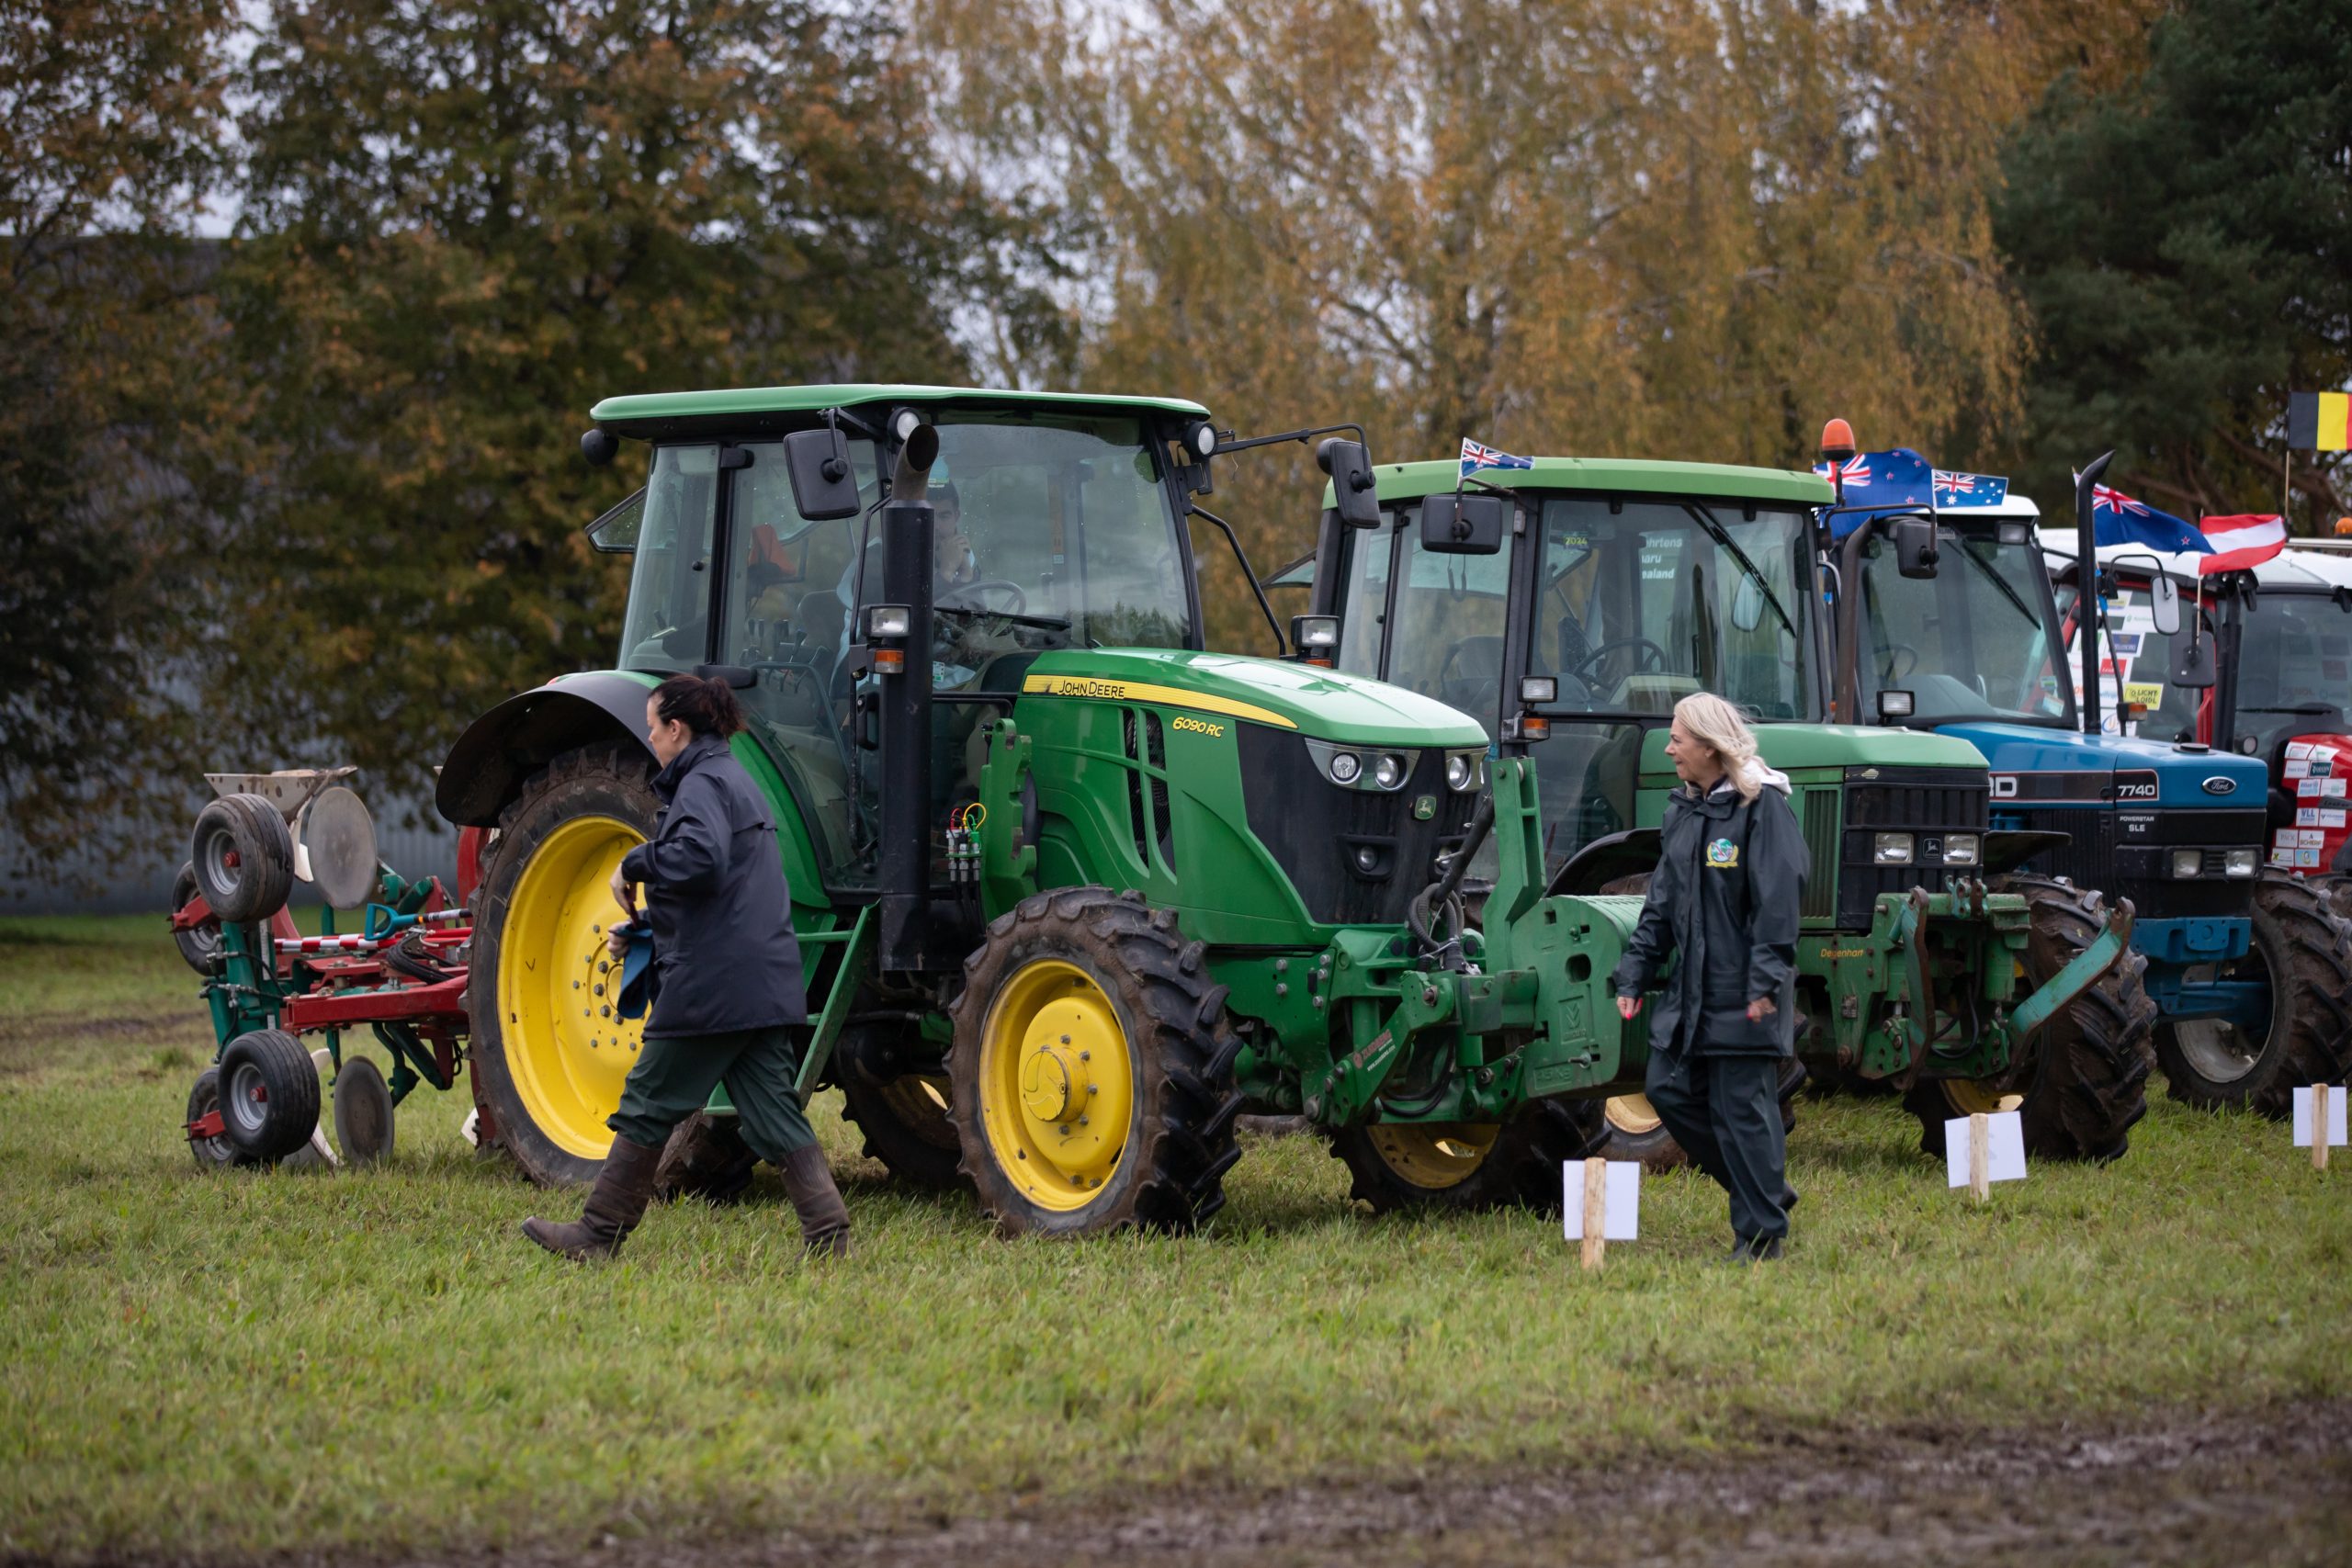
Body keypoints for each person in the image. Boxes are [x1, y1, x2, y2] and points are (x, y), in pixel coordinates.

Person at [522, 673, 853, 1261]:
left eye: (653, 727)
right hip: (758, 979)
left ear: (677, 728)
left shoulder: (701, 783)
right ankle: (829, 1233)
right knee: (773, 1112)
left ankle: (598, 1234)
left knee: (648, 1101)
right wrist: (648, 927)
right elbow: (727, 893)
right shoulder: (735, 779)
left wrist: (634, 861)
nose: (649, 738)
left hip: (711, 987)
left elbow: (699, 857)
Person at [1611, 692, 1805, 1262]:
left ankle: (1761, 1238)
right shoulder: (1684, 812)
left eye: (1677, 739)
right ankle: (1764, 1191)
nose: (1668, 749)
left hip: (1744, 992)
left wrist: (1764, 985)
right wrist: (1634, 974)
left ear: (1710, 746)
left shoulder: (1761, 808)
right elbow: (1661, 905)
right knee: (1667, 1090)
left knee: (1742, 1111)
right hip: (1690, 993)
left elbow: (1778, 904)